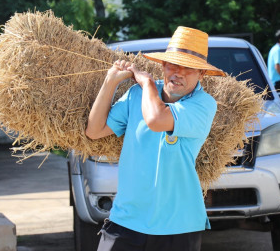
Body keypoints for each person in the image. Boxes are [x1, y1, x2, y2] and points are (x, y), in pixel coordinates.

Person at [85, 26, 226, 251]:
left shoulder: (203, 104)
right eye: (173, 64)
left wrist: (148, 82)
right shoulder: (136, 95)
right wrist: (110, 82)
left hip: (178, 227)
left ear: (202, 74)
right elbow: (94, 130)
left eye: (188, 68)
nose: (178, 72)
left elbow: (156, 120)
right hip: (126, 220)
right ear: (163, 65)